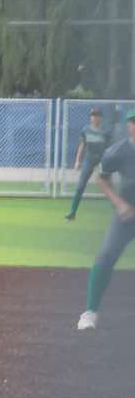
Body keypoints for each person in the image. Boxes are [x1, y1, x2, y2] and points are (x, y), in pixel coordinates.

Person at [75, 107, 135, 331]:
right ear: (129, 125)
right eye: (134, 121)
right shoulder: (118, 152)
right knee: (105, 256)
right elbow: (102, 178)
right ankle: (90, 312)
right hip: (126, 216)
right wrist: (119, 204)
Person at [66, 106, 111, 220]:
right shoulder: (86, 130)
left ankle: (117, 212)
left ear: (101, 118)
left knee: (108, 186)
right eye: (93, 115)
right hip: (89, 160)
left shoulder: (105, 131)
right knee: (80, 186)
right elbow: (82, 145)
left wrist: (108, 163)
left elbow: (109, 149)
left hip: (102, 160)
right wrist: (77, 161)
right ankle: (72, 213)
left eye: (97, 115)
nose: (94, 118)